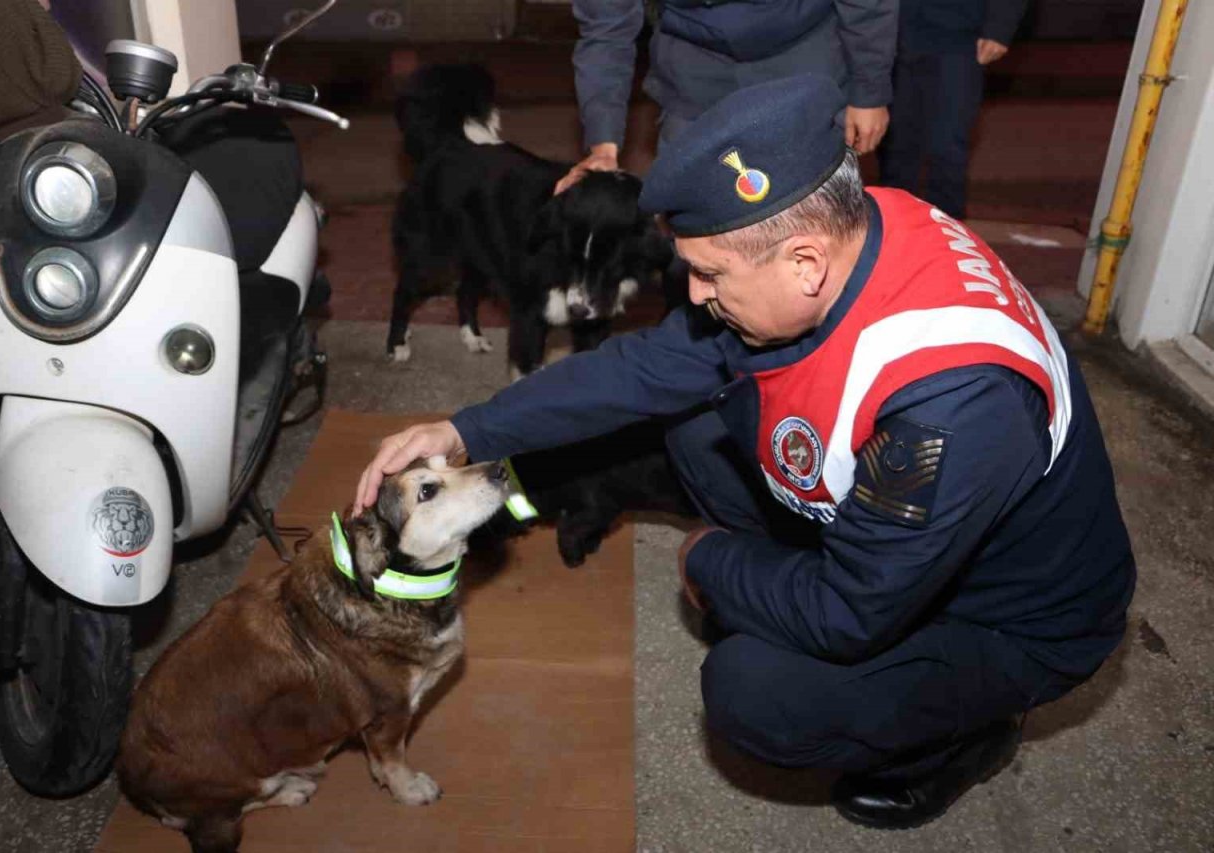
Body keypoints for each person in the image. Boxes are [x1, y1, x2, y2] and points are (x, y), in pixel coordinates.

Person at [356, 74, 1135, 829]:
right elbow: (645, 367)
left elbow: (850, 609)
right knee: (694, 424)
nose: (693, 294)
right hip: (912, 538)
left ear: (802, 262)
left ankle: (962, 735)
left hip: (1006, 614)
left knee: (754, 692)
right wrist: (466, 431)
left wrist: (709, 561)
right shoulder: (863, 226)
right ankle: (774, 589)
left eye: (708, 274)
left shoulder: (951, 405)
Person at [553, 0, 897, 193]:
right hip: (693, 66)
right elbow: (606, 31)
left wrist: (869, 90)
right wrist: (603, 145)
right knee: (693, 229)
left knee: (811, 221)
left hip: (804, 55)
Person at [878, 0, 1031, 219]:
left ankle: (947, 230)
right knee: (895, 140)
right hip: (892, 28)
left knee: (948, 141)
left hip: (960, 34)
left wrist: (1000, 26)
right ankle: (890, 223)